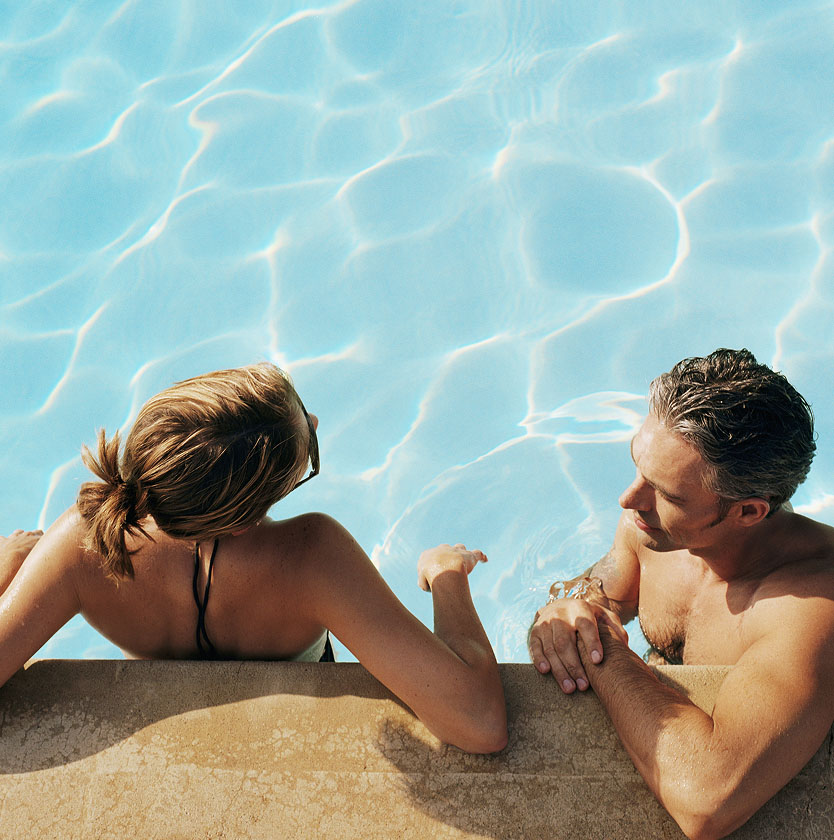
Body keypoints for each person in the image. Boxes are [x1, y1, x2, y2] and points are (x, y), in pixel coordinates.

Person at [0, 363, 507, 755]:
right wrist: (446, 573)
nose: (313, 422)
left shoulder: (83, 543)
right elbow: (480, 723)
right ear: (241, 520)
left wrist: (7, 571)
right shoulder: (312, 559)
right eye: (306, 450)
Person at [528, 348, 834, 840]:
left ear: (749, 512)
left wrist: (598, 646)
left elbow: (707, 801)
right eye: (638, 468)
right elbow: (602, 593)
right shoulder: (653, 527)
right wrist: (573, 609)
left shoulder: (811, 605)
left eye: (667, 495)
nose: (628, 500)